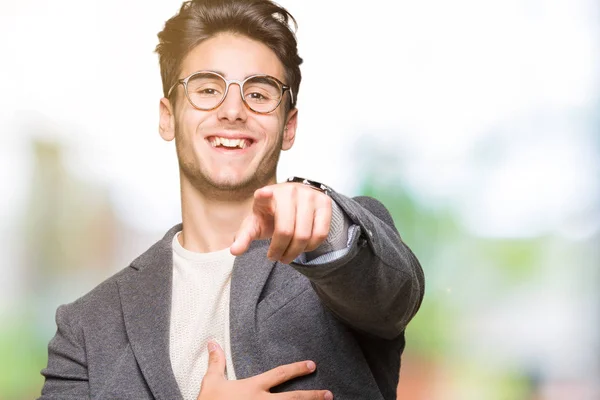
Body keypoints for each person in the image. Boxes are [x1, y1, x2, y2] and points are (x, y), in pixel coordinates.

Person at [39, 0, 425, 399]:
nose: (233, 110)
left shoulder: (338, 250)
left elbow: (393, 294)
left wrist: (326, 226)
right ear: (168, 117)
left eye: (258, 94)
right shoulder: (85, 328)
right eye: (207, 89)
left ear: (288, 127)